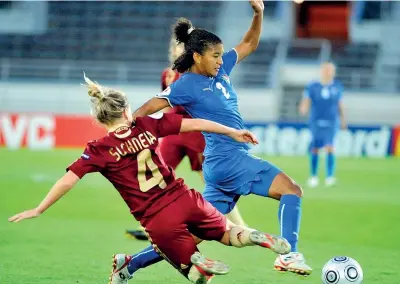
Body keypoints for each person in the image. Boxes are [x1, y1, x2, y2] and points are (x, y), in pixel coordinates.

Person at [8, 75, 291, 284]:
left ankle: (195, 263)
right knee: (229, 234)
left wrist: (39, 209)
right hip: (187, 199)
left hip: (158, 218)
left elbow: (68, 180)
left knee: (198, 276)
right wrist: (231, 131)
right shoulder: (146, 125)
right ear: (127, 111)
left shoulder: (99, 149)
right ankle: (249, 237)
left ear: (100, 119)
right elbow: (194, 124)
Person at [129, 0, 312, 276]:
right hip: (230, 160)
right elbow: (146, 109)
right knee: (292, 190)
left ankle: (129, 264)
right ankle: (291, 255)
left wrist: (258, 13)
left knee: (190, 237)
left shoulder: (221, 68)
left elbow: (249, 44)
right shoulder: (185, 85)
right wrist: (129, 132)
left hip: (221, 163)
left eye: (221, 54)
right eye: (215, 55)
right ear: (197, 57)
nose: (220, 59)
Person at [126, 36, 247, 241]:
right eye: (174, 46)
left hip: (196, 131)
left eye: (180, 46)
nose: (176, 49)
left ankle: (240, 225)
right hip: (174, 132)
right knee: (158, 173)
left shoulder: (197, 74)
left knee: (212, 180)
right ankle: (153, 225)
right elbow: (164, 101)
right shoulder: (167, 74)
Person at [299, 62, 346, 188]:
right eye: (326, 70)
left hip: (331, 121)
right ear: (321, 71)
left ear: (333, 72)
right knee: (315, 147)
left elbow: (340, 104)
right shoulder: (313, 86)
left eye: (330, 70)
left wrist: (343, 119)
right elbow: (306, 100)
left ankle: (330, 177)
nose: (328, 72)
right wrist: (303, 108)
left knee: (330, 147)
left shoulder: (337, 86)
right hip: (315, 120)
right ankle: (313, 176)